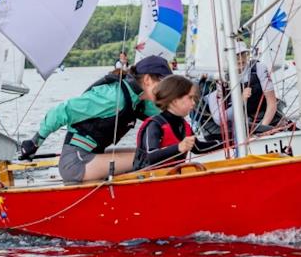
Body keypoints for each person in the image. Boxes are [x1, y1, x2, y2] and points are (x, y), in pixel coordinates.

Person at [19, 55, 172, 183]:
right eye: (164, 84)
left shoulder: (139, 101)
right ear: (147, 80)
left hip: (93, 156)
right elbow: (61, 111)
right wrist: (35, 142)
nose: (167, 90)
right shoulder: (113, 97)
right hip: (75, 163)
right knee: (150, 158)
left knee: (157, 153)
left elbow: (169, 116)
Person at [132, 75, 220, 171]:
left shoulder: (184, 125)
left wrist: (226, 142)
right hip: (148, 179)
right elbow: (151, 156)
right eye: (190, 98)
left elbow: (198, 148)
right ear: (174, 100)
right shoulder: (155, 125)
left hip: (172, 176)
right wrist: (179, 147)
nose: (194, 103)